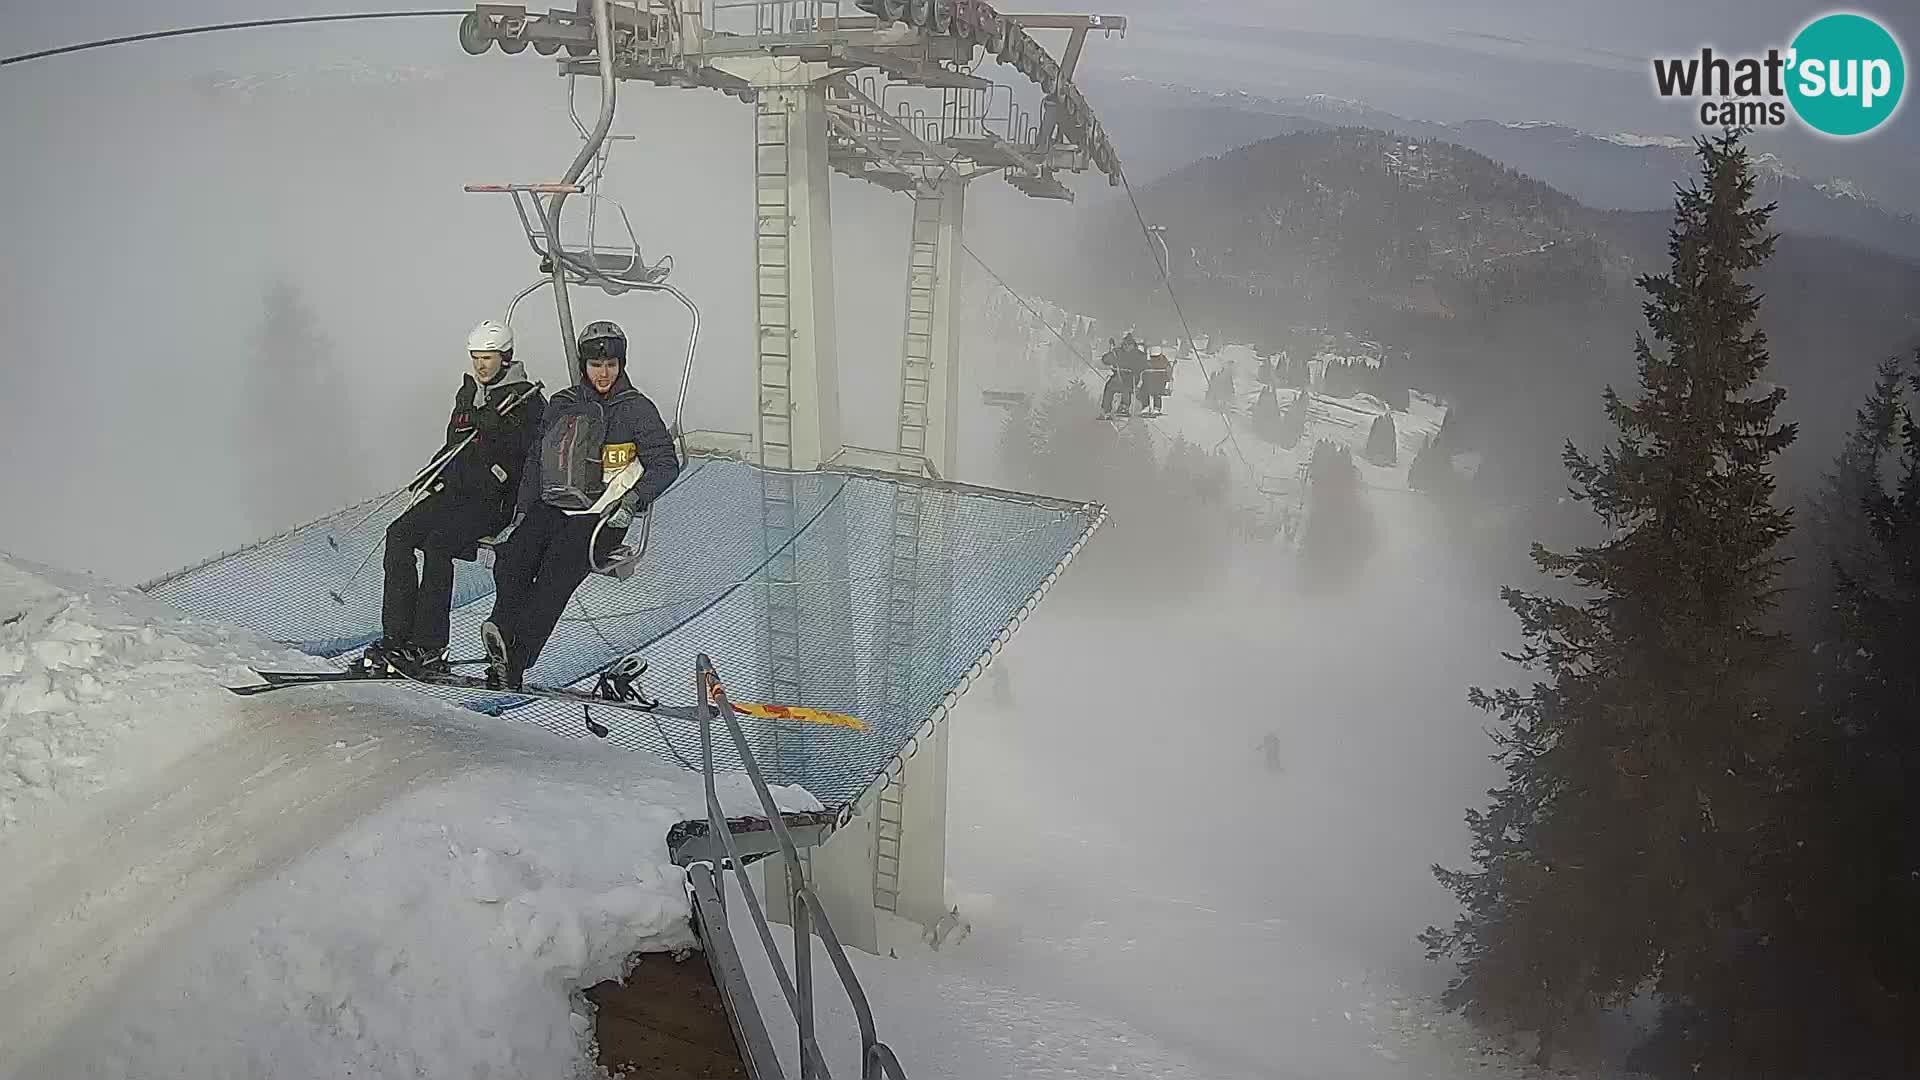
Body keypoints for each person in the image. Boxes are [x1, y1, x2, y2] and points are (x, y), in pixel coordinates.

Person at [481, 320, 681, 690]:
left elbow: (666, 464)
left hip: (605, 513)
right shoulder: (564, 403)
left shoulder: (635, 410)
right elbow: (536, 463)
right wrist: (523, 512)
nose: (603, 373)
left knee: (558, 566)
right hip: (558, 503)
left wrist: (633, 501)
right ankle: (502, 644)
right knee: (513, 557)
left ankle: (516, 659)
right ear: (583, 366)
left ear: (620, 365)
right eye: (595, 365)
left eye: (610, 365)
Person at [363, 321, 545, 675]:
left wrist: (500, 435)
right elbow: (455, 442)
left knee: (438, 546)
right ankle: (396, 639)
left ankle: (429, 645)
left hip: (493, 501)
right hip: (455, 491)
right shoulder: (470, 395)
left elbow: (529, 455)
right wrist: (433, 472)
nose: (480, 366)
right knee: (398, 535)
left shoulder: (526, 400)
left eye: (488, 358)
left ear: (506, 358)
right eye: (476, 358)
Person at [1139, 349, 1174, 416]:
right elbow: (1142, 370)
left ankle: (1156, 407)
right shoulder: (1148, 362)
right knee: (1145, 391)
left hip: (1159, 382)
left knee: (1157, 393)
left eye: (1156, 357)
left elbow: (1169, 373)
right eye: (1153, 357)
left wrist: (1168, 381)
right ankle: (1146, 406)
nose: (1155, 359)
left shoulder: (1164, 362)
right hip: (1150, 382)